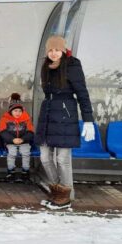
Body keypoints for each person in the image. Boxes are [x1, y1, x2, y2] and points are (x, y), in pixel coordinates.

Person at [36, 36, 95, 210]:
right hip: (48, 113)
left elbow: (82, 93)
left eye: (57, 50)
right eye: (50, 50)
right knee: (45, 157)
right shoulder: (46, 66)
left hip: (65, 114)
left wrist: (88, 120)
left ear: (63, 50)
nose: (53, 53)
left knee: (62, 159)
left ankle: (65, 197)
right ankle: (58, 192)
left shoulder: (72, 65)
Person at [0, 93, 34, 183]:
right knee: (12, 153)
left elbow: (30, 132)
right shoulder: (5, 119)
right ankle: (11, 172)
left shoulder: (26, 119)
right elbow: (3, 132)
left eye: (19, 111)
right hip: (10, 141)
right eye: (15, 111)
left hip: (24, 141)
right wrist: (12, 139)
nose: (18, 113)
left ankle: (25, 172)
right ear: (11, 111)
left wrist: (23, 139)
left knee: (26, 153)